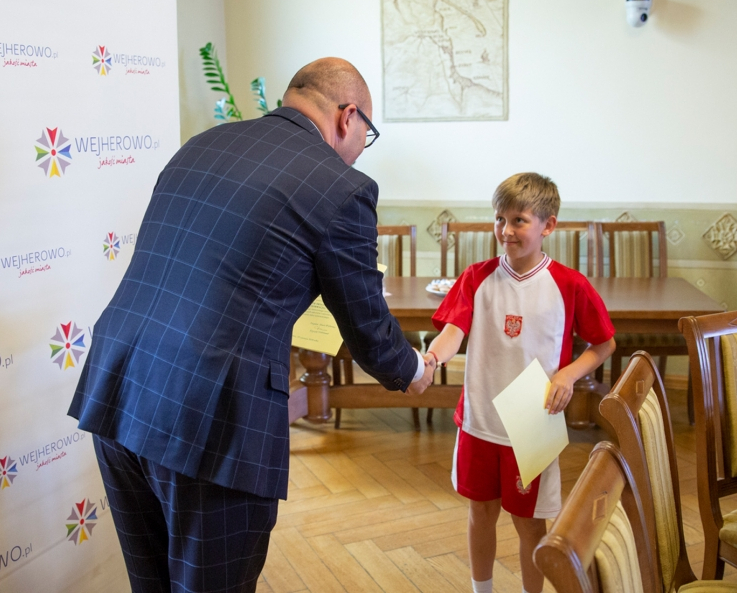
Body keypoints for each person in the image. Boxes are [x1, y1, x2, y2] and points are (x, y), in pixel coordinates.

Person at [68, 58, 437, 592]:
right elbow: (366, 322)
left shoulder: (201, 145)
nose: (361, 146)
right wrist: (413, 370)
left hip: (121, 388)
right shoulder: (341, 186)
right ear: (347, 115)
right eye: (367, 133)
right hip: (210, 419)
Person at [421, 173, 616, 594]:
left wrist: (567, 373)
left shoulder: (570, 285)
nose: (506, 231)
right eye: (499, 219)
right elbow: (454, 330)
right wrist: (434, 356)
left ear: (548, 225)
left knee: (530, 525)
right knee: (480, 513)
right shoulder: (476, 277)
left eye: (519, 220)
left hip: (533, 423)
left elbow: (603, 344)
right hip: (480, 418)